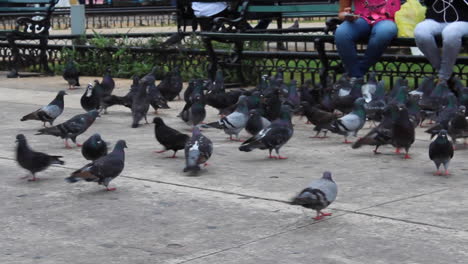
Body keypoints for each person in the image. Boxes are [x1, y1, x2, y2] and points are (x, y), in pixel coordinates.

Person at [334, 0, 401, 85]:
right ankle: (356, 78)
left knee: (384, 32)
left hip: (387, 19)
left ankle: (356, 75)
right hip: (360, 18)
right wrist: (346, 15)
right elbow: (342, 13)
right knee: (342, 33)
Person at [414, 0, 468, 85]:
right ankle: (445, 74)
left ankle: (443, 78)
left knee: (451, 33)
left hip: (463, 20)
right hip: (436, 19)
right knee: (421, 32)